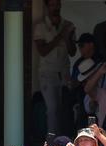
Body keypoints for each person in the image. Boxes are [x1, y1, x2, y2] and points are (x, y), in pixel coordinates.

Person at [34, 0, 76, 135]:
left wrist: (68, 37)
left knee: (65, 108)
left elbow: (72, 52)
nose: (55, 8)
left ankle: (65, 140)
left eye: (57, 5)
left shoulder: (68, 25)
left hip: (64, 72)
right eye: (52, 5)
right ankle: (51, 143)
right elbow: (42, 51)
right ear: (47, 7)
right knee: (52, 109)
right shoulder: (41, 27)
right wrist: (61, 36)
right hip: (48, 73)